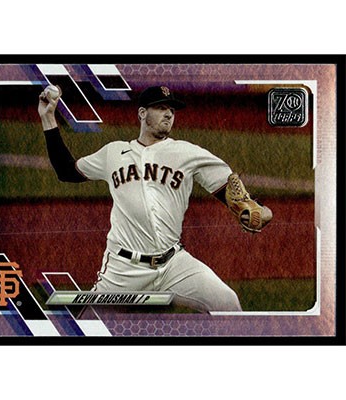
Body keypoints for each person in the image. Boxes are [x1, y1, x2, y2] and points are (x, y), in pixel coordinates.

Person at [38, 85, 272, 312]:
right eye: (161, 108)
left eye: (171, 109)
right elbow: (66, 171)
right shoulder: (113, 152)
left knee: (227, 303)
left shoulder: (188, 153)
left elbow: (239, 199)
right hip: (123, 269)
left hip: (174, 264)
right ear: (142, 113)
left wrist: (261, 212)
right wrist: (48, 118)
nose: (169, 114)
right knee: (90, 326)